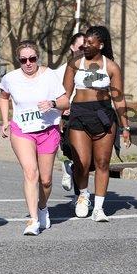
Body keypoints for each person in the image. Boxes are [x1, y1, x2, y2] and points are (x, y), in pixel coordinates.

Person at [0, 40, 69, 236]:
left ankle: (42, 207)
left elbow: (65, 101)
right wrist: (5, 120)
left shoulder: (49, 76)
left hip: (47, 130)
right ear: (18, 60)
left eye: (32, 59)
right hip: (22, 130)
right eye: (23, 60)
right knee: (31, 173)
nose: (28, 63)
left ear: (37, 58)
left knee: (45, 181)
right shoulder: (10, 78)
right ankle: (33, 219)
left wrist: (52, 103)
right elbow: (3, 96)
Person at [63, 25, 131, 221]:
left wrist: (125, 127)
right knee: (82, 163)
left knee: (102, 163)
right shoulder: (75, 64)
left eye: (89, 43)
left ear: (100, 45)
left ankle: (99, 208)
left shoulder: (111, 67)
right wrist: (58, 119)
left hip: (103, 115)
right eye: (84, 42)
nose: (85, 46)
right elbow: (64, 95)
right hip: (79, 114)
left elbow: (119, 99)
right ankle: (83, 196)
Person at [54, 33, 85, 194]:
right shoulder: (61, 71)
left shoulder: (92, 68)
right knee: (75, 153)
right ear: (72, 47)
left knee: (85, 158)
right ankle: (79, 196)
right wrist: (61, 111)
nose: (84, 50)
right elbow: (54, 96)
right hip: (68, 117)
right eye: (80, 47)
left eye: (86, 47)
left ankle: (71, 169)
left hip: (87, 115)